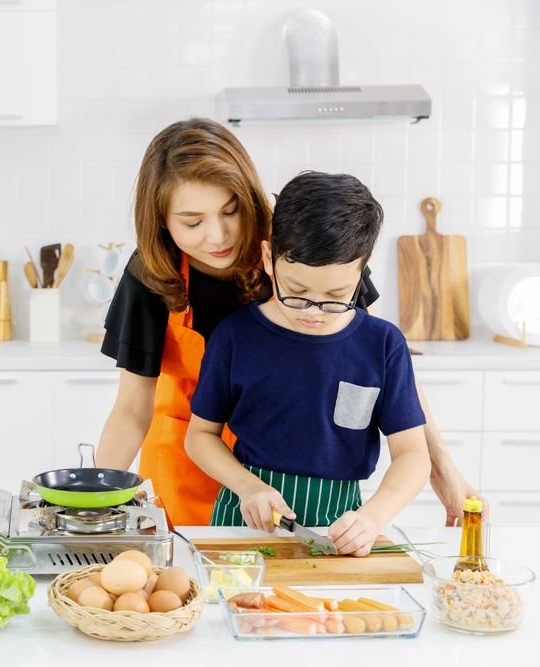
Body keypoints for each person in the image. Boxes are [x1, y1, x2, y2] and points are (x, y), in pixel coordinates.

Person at [95, 117, 485, 527]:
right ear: (160, 219)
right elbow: (131, 408)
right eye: (192, 222)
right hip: (190, 459)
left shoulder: (303, 244)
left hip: (290, 470)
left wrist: (441, 466)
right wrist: (92, 501)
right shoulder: (152, 274)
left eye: (231, 211)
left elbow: (374, 359)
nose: (218, 236)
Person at [184, 172, 430, 556]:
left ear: (362, 270)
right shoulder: (236, 336)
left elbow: (413, 455)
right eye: (296, 293)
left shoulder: (382, 344)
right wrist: (248, 487)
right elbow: (200, 436)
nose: (314, 313)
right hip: (246, 520)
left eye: (335, 295)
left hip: (340, 524)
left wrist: (373, 518)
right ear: (269, 258)